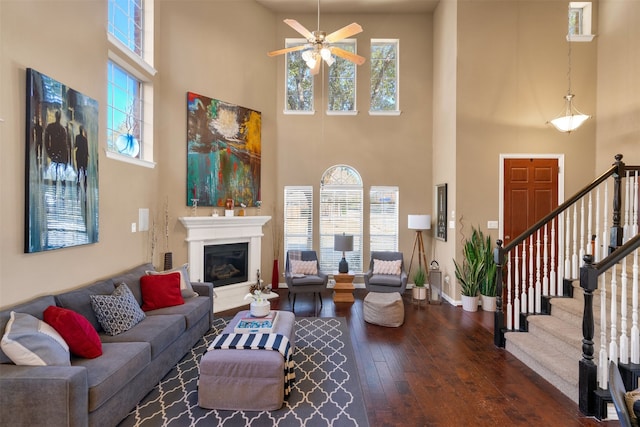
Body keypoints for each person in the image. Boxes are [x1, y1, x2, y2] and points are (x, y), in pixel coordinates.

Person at [44, 109, 68, 181]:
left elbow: (46, 140)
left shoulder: (50, 127)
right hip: (59, 153)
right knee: (59, 173)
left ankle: (55, 186)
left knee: (55, 173)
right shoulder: (62, 129)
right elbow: (64, 144)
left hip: (54, 151)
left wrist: (49, 151)